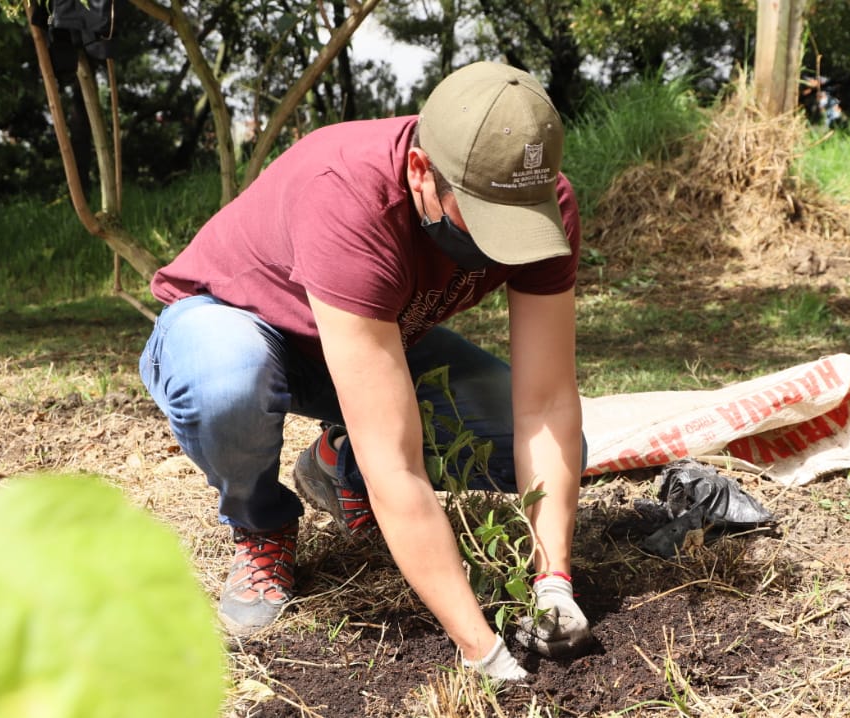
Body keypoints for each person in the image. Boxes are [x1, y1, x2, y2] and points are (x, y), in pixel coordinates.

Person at [138, 61, 592, 680]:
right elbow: (397, 466)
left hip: (372, 340)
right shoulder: (349, 194)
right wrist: (483, 650)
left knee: (531, 451)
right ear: (420, 172)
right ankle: (262, 525)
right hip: (233, 326)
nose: (498, 249)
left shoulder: (544, 203)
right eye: (483, 223)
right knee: (228, 386)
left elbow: (545, 405)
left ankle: (334, 459)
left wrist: (553, 582)